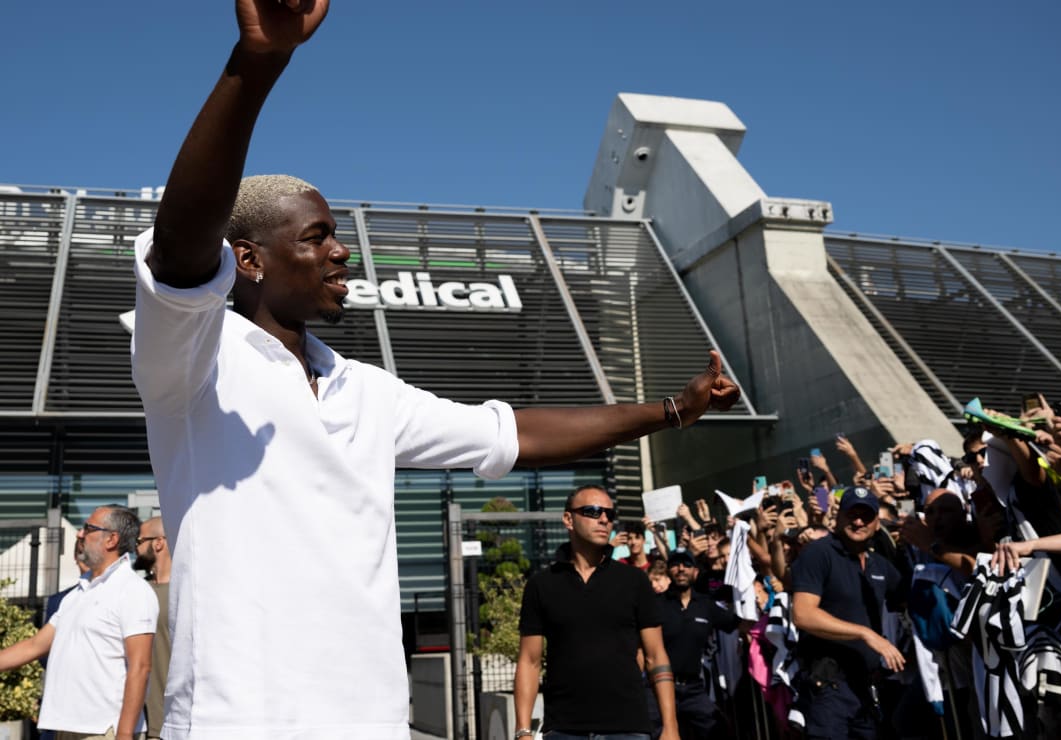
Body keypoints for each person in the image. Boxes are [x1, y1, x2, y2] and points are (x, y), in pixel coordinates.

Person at [131, 3, 740, 738]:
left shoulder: (364, 390)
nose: (341, 253)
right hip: (238, 722)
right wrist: (258, 62)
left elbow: (513, 433)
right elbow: (180, 250)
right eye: (317, 237)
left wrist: (670, 411)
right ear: (249, 261)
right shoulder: (195, 360)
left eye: (339, 238)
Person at [514, 486, 679, 740]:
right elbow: (529, 661)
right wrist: (523, 732)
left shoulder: (634, 581)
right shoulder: (542, 585)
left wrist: (671, 727)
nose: (604, 519)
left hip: (628, 728)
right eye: (592, 511)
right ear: (568, 519)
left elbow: (656, 656)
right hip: (564, 729)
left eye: (609, 514)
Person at [0, 506, 157, 739]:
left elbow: (141, 666)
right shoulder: (77, 595)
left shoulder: (133, 590)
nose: (79, 534)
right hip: (65, 729)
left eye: (88, 528)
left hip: (105, 732)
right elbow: (34, 645)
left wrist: (124, 734)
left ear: (111, 539)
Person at [790, 486, 907, 739]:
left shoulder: (879, 565)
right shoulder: (819, 553)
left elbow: (909, 599)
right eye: (852, 514)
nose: (858, 521)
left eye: (866, 516)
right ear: (838, 517)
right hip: (829, 686)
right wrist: (865, 634)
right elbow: (802, 614)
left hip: (867, 689)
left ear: (877, 523)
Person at [652, 549, 739, 739]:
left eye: (687, 564)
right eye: (675, 564)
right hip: (657, 688)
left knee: (719, 729)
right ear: (668, 571)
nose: (681, 569)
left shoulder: (706, 605)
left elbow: (739, 625)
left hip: (692, 688)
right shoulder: (655, 604)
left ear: (696, 572)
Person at [133, 518, 171, 740]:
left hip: (173, 724)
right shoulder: (137, 592)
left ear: (158, 543)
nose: (135, 548)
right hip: (139, 724)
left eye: (139, 541)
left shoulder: (187, 593)